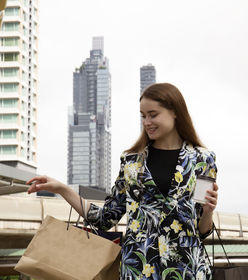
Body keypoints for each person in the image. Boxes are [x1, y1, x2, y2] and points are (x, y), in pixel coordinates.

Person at [27, 83, 219, 280]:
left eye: (153, 114)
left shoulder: (202, 160)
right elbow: (105, 219)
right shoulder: (131, 162)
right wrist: (62, 189)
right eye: (143, 116)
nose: (147, 122)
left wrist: (208, 212)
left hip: (187, 269)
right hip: (139, 270)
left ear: (175, 112)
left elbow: (201, 232)